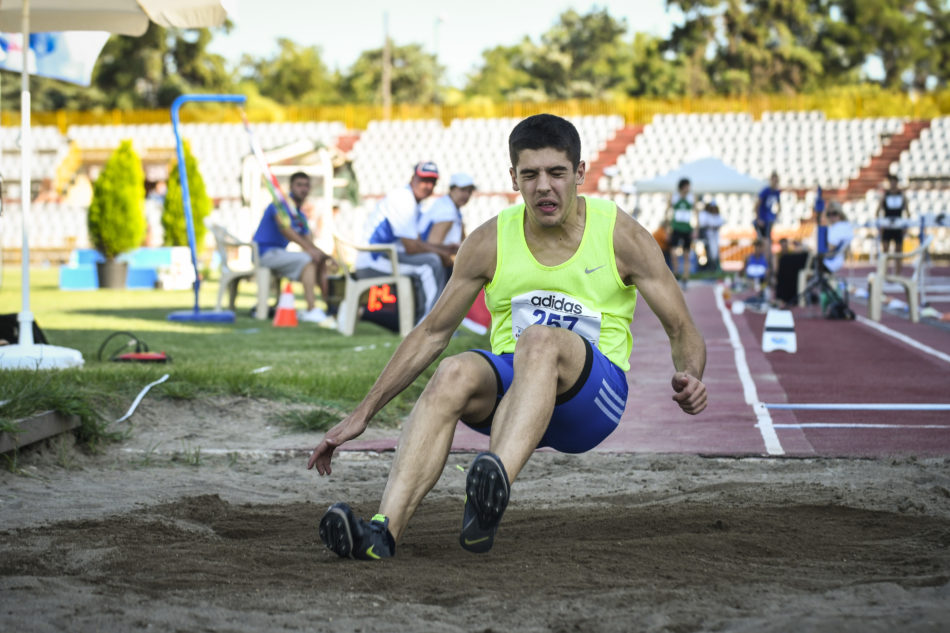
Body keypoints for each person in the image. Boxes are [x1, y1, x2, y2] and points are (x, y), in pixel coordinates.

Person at [308, 114, 708, 561]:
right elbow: (432, 333)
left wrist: (690, 374)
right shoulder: (488, 241)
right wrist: (362, 414)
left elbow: (682, 328)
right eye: (530, 174)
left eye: (557, 173)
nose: (543, 187)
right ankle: (382, 532)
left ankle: (491, 486)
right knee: (454, 369)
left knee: (540, 339)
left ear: (579, 173)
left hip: (591, 402)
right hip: (514, 395)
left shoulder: (621, 235)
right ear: (512, 177)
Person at [356, 161, 456, 321]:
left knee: (435, 260)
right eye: (423, 180)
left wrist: (444, 250)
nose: (427, 185)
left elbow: (416, 243)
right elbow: (412, 247)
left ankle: (433, 320)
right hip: (374, 260)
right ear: (412, 179)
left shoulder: (411, 201)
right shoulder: (402, 199)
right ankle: (430, 323)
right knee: (430, 263)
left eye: (432, 182)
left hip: (386, 257)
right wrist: (442, 252)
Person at [252, 171, 334, 324]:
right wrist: (311, 251)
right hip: (264, 253)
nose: (303, 189)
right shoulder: (280, 204)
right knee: (308, 258)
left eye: (306, 185)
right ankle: (311, 308)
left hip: (280, 254)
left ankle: (329, 307)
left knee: (317, 260)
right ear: (291, 186)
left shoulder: (299, 215)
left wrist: (325, 256)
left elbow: (309, 242)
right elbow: (285, 229)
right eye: (299, 185)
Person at [419, 172, 476, 247]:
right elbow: (434, 247)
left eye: (469, 191)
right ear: (451, 189)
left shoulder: (451, 206)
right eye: (463, 190)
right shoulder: (447, 211)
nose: (466, 195)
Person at [667, 178, 697, 286]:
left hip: (687, 228)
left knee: (686, 253)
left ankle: (686, 275)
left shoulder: (691, 198)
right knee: (673, 251)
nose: (689, 188)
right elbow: (668, 211)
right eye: (687, 186)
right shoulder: (674, 197)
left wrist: (696, 228)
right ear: (682, 186)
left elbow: (695, 212)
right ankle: (675, 272)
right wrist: (668, 227)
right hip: (676, 227)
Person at [878, 174, 909, 275]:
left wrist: (906, 225)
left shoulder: (902, 195)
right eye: (891, 182)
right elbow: (878, 210)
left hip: (898, 226)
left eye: (894, 182)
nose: (892, 184)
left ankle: (897, 273)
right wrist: (880, 224)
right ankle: (885, 273)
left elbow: (907, 212)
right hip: (887, 226)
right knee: (885, 250)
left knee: (898, 252)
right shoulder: (885, 195)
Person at [821, 201, 854, 276]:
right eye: (828, 214)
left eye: (834, 213)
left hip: (828, 262)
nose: (831, 217)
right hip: (834, 261)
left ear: (840, 213)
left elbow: (829, 248)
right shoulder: (844, 226)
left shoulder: (839, 227)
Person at [754, 171, 781, 257]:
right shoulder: (765, 191)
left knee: (768, 241)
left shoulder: (776, 192)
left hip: (769, 220)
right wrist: (758, 219)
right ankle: (764, 259)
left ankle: (767, 259)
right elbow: (757, 205)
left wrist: (775, 216)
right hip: (762, 219)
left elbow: (779, 205)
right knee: (764, 241)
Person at [698, 198, 725, 272]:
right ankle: (710, 267)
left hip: (715, 235)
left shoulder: (717, 216)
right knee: (709, 252)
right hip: (708, 235)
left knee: (715, 252)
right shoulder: (705, 214)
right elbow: (703, 224)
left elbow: (720, 223)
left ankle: (715, 267)